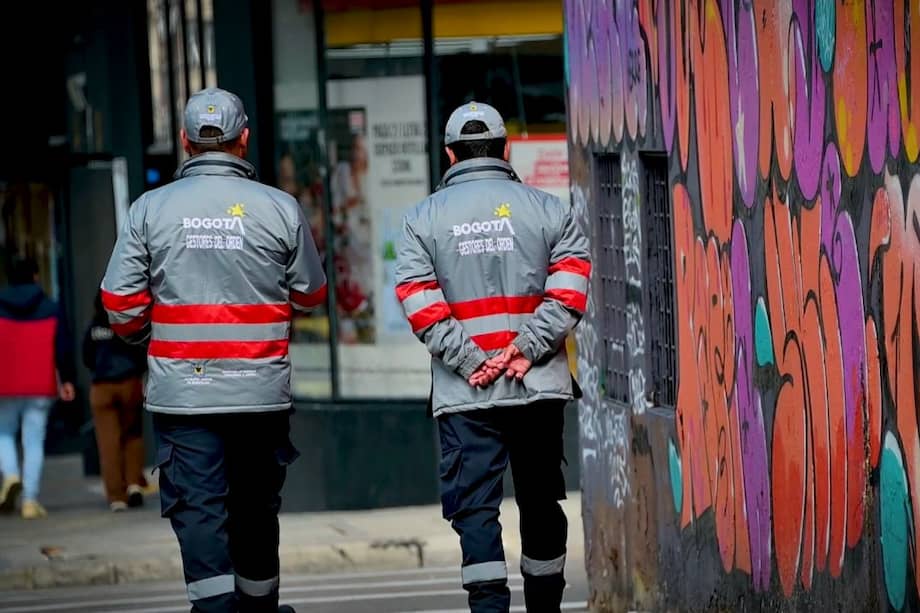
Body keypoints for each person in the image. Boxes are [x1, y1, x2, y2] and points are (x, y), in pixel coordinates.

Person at [100, 87, 326, 613]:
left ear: (184, 141)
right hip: (259, 394)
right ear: (243, 139)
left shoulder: (149, 209)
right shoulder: (280, 208)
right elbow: (311, 295)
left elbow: (120, 304)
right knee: (255, 509)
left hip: (185, 399)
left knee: (199, 511)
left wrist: (150, 336)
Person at [395, 102, 591, 613]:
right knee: (540, 501)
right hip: (537, 387)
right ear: (506, 150)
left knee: (475, 510)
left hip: (466, 395)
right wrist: (526, 348)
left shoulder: (421, 220)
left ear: (449, 154)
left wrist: (470, 362)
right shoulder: (550, 210)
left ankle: (488, 607)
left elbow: (418, 300)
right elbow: (570, 291)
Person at [0, 256, 76, 519]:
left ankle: (11, 475)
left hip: (5, 382)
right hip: (40, 382)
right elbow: (63, 347)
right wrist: (67, 380)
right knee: (33, 442)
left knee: (4, 433)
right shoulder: (51, 307)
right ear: (35, 276)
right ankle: (30, 501)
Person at [82, 289, 149, 512]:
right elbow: (141, 353)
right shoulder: (127, 324)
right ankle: (134, 484)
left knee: (108, 444)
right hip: (129, 383)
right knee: (133, 435)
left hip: (102, 387)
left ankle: (116, 496)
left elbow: (86, 357)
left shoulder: (93, 327)